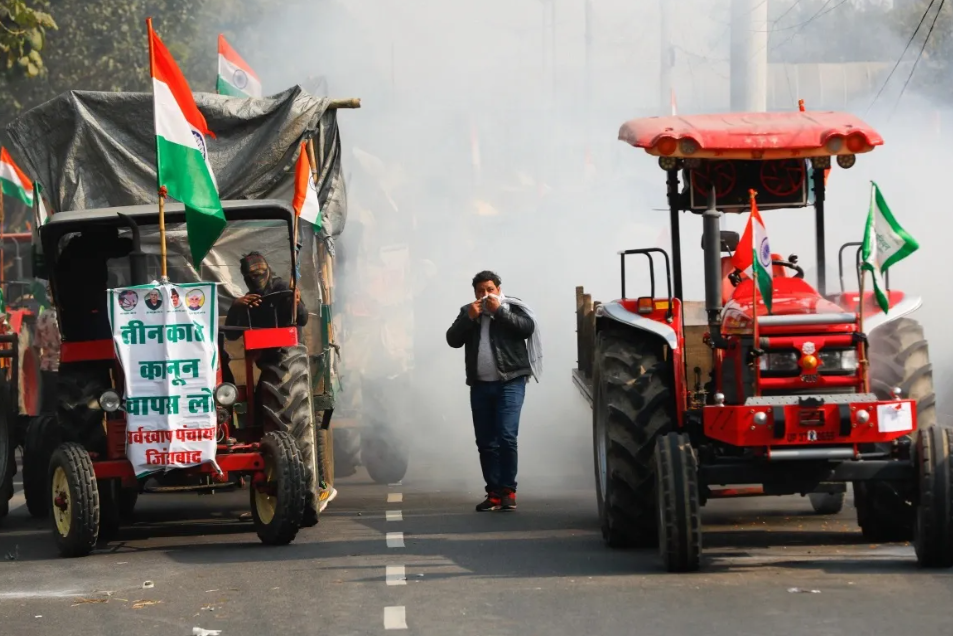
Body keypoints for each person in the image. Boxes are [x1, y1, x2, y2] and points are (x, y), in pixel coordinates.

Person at [446, 270, 541, 512]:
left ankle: (508, 490)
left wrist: (499, 312)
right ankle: (494, 493)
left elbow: (526, 328)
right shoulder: (468, 311)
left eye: (490, 289)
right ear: (474, 293)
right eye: (480, 291)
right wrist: (469, 318)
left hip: (510, 381)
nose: (485, 294)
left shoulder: (513, 307)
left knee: (506, 436)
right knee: (486, 442)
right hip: (480, 385)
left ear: (499, 289)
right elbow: (452, 339)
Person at [224, 251, 308, 341]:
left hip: (289, 349)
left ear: (267, 272)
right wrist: (235, 307)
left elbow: (302, 319)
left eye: (257, 275)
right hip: (261, 350)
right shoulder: (249, 300)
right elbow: (231, 335)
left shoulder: (283, 289)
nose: (253, 280)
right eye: (248, 278)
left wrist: (296, 303)